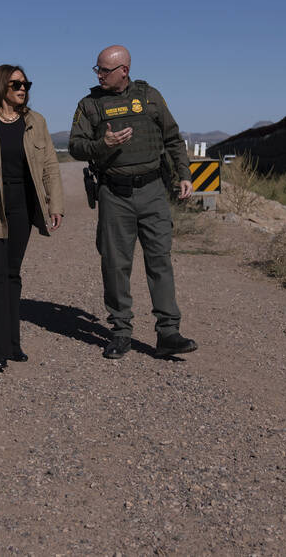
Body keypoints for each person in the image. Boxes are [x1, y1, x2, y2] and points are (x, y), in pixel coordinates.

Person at [68, 45, 198, 359]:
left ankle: (168, 332)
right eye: (97, 69)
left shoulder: (150, 97)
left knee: (160, 261)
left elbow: (172, 137)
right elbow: (75, 146)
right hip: (114, 193)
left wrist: (184, 173)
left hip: (153, 190)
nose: (99, 75)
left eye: (105, 70)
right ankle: (121, 332)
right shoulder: (90, 105)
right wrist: (103, 144)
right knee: (115, 264)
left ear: (124, 70)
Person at [0, 65, 64, 372]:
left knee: (13, 274)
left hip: (23, 205)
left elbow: (50, 167)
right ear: (0, 87)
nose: (23, 88)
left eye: (26, 83)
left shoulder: (36, 122)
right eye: (16, 83)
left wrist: (54, 204)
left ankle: (14, 343)